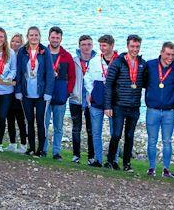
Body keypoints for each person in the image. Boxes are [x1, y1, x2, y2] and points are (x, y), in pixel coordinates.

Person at [104, 34, 147, 172]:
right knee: (116, 134)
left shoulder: (143, 64)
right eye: (132, 46)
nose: (135, 49)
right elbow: (109, 85)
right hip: (119, 105)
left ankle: (127, 164)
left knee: (129, 135)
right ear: (127, 46)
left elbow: (146, 83)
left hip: (134, 106)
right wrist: (108, 106)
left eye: (137, 47)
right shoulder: (118, 62)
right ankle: (110, 161)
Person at [14, 26, 55, 157]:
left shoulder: (45, 51)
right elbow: (19, 72)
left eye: (36, 35)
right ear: (27, 36)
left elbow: (50, 72)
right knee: (29, 121)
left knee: (41, 122)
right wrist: (18, 90)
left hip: (41, 93)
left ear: (39, 36)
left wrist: (48, 92)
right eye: (31, 35)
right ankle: (31, 148)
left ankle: (41, 150)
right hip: (26, 93)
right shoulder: (22, 51)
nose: (34, 37)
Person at [144, 42, 174, 177]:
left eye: (173, 54)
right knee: (152, 140)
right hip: (152, 110)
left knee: (167, 140)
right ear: (161, 52)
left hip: (168, 111)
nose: (170, 57)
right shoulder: (150, 65)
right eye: (168, 54)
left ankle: (166, 168)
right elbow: (143, 83)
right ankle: (151, 167)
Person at [43, 27, 76, 159]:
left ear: (61, 39)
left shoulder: (67, 56)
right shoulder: (43, 53)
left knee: (58, 126)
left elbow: (72, 77)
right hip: (45, 95)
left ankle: (56, 152)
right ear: (49, 38)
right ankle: (43, 149)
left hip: (60, 95)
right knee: (44, 124)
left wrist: (67, 92)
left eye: (57, 38)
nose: (55, 40)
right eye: (53, 37)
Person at [87, 34, 118, 167]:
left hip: (113, 101)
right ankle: (98, 159)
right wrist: (91, 92)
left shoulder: (119, 61)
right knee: (96, 131)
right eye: (100, 45)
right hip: (97, 99)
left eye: (104, 45)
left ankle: (113, 160)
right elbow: (87, 78)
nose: (102, 48)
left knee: (114, 132)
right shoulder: (95, 60)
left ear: (112, 45)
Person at [70, 35, 97, 164]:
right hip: (76, 98)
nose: (86, 47)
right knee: (76, 128)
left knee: (91, 130)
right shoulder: (74, 60)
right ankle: (76, 155)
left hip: (91, 101)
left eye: (89, 44)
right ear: (79, 46)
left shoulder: (97, 61)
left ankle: (91, 157)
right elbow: (69, 78)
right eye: (84, 45)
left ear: (92, 46)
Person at [6, 33, 28, 153]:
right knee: (9, 118)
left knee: (20, 119)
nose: (15, 43)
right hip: (8, 91)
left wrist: (16, 83)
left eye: (17, 42)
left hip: (19, 92)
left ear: (22, 43)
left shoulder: (23, 56)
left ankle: (23, 144)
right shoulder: (8, 54)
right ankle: (12, 143)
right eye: (13, 41)